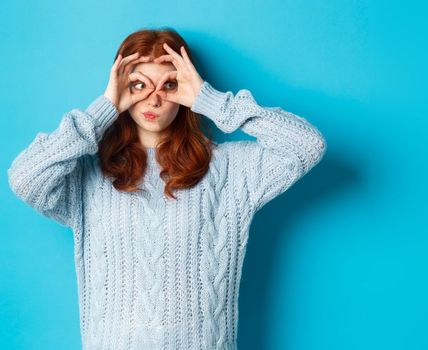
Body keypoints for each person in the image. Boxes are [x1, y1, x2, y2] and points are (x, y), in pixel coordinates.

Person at [6, 27, 326, 350]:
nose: (154, 99)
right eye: (139, 85)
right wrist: (103, 108)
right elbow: (24, 177)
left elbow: (307, 146)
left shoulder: (228, 170)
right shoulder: (90, 175)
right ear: (122, 88)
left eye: (168, 85)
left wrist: (210, 101)